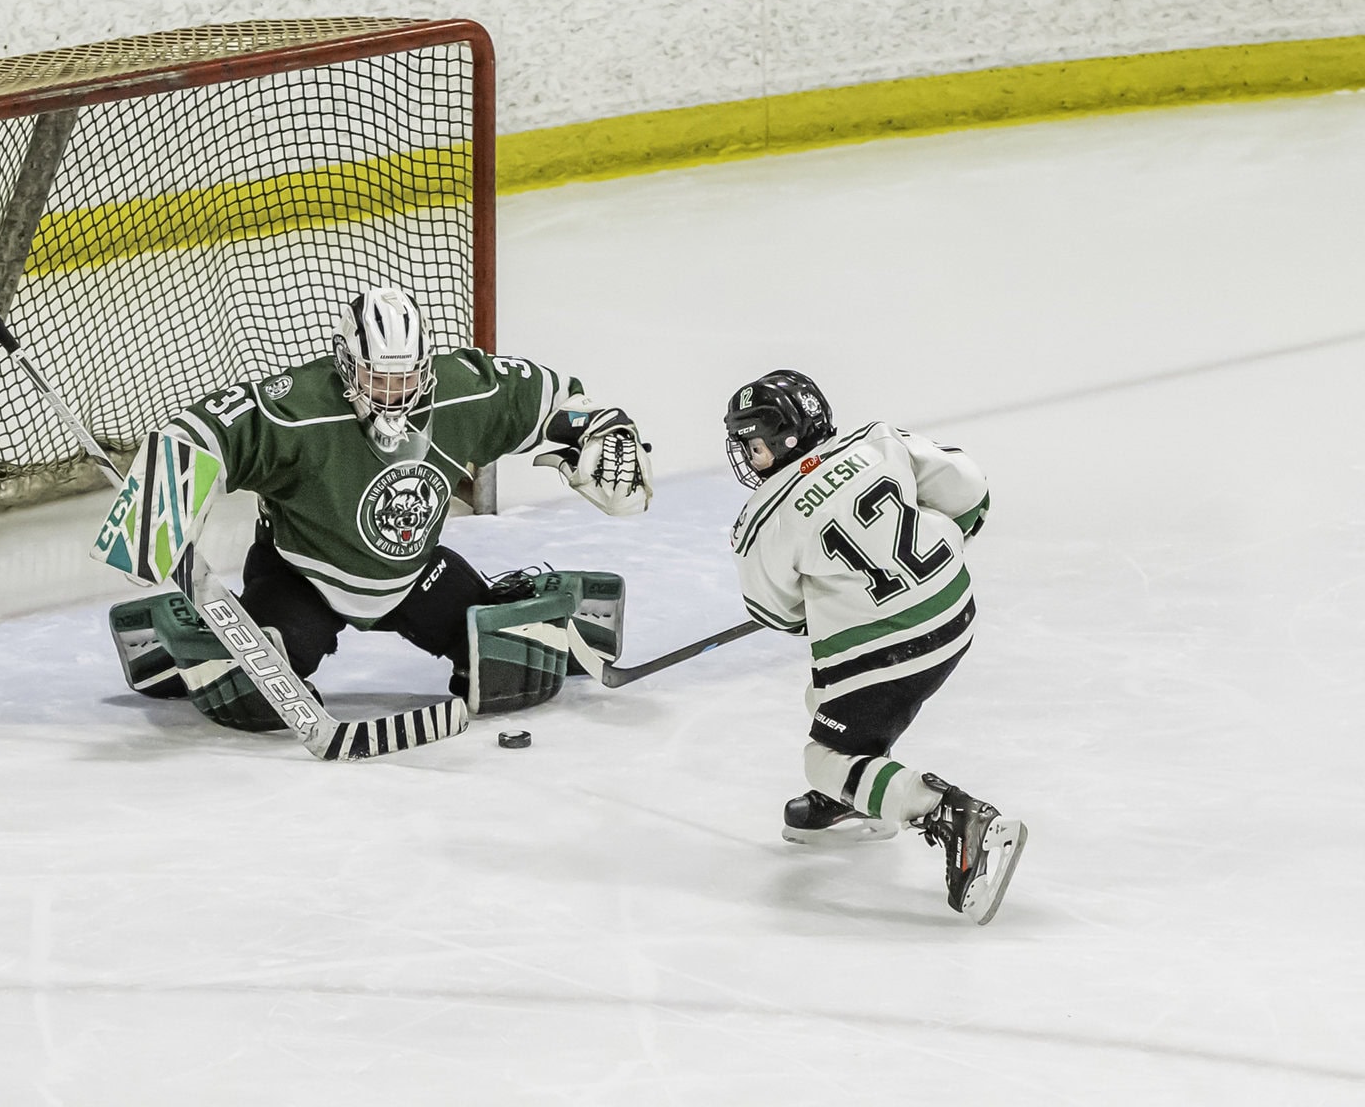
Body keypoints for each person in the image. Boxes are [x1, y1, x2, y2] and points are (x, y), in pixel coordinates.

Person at [112, 283, 651, 729]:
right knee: (252, 693)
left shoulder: (460, 390)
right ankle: (176, 636)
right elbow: (201, 430)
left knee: (509, 668)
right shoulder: (298, 406)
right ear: (347, 365)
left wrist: (597, 430)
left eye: (408, 377)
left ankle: (548, 613)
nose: (396, 394)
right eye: (379, 378)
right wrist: (162, 500)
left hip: (413, 573)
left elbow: (552, 399)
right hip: (302, 575)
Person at [721, 369, 1026, 924]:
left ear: (787, 437)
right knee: (828, 701)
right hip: (956, 614)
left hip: (885, 658)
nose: (750, 455)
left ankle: (947, 811)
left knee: (823, 759)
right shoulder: (878, 439)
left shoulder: (763, 519)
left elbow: (776, 612)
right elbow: (968, 488)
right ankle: (861, 792)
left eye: (755, 442)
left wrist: (825, 600)